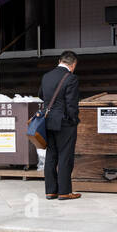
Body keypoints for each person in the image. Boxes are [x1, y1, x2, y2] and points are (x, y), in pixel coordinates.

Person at [39, 51, 80, 201]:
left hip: (48, 121)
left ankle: (50, 191)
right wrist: (73, 120)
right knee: (65, 156)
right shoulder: (71, 78)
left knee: (51, 155)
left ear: (59, 60)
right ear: (73, 64)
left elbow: (42, 95)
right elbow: (71, 104)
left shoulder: (46, 76)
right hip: (64, 122)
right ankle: (64, 192)